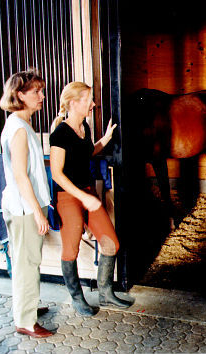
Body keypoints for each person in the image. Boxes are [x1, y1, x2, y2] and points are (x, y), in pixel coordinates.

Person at [50, 82, 132, 316]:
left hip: (88, 193)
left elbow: (86, 153)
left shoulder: (83, 126)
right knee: (70, 251)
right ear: (74, 103)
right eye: (89, 99)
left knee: (111, 244)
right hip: (69, 197)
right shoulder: (60, 134)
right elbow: (57, 173)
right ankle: (77, 298)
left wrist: (105, 139)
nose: (94, 104)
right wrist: (83, 198)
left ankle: (105, 293)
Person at [0, 70, 53, 338]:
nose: (42, 96)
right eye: (36, 92)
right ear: (19, 95)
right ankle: (25, 322)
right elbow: (20, 175)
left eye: (41, 91)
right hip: (23, 208)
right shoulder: (19, 128)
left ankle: (27, 308)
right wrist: (37, 213)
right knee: (27, 263)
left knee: (26, 261)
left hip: (23, 204)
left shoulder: (21, 123)